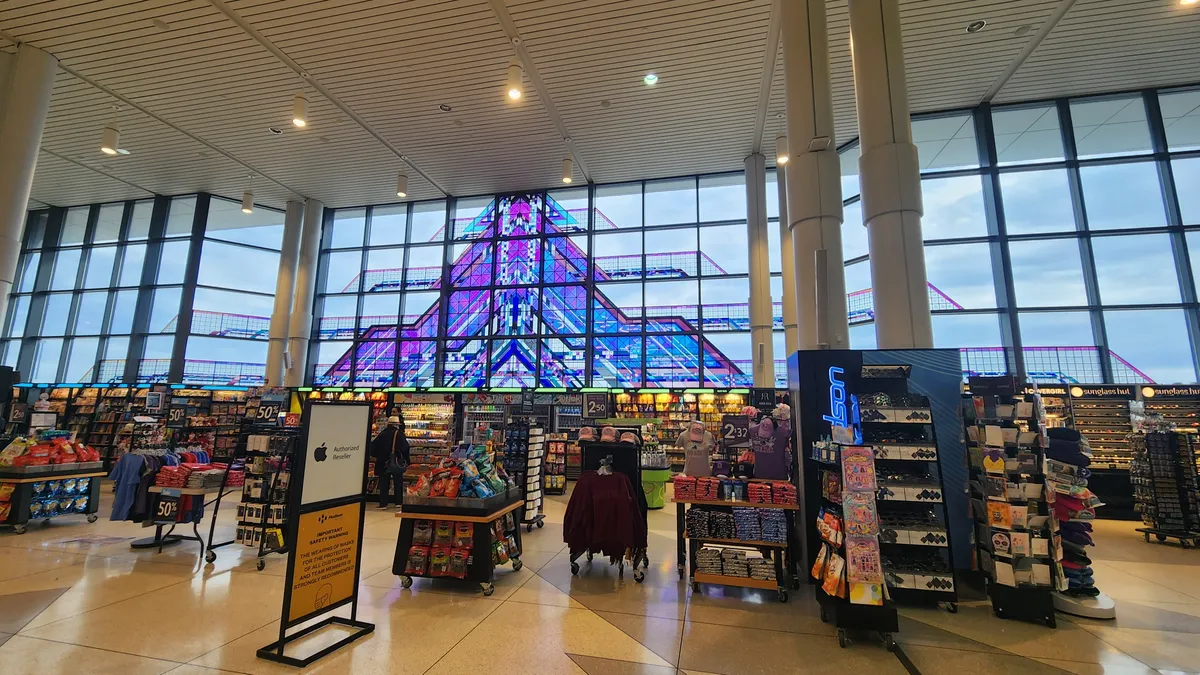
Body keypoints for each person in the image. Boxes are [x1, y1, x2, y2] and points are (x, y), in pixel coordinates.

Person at [370, 415, 410, 509]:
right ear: (397, 425)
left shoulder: (382, 434)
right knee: (397, 482)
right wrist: (405, 460)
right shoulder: (399, 434)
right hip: (396, 461)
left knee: (384, 482)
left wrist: (378, 456)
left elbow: (373, 447)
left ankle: (383, 503)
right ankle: (398, 502)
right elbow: (405, 448)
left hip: (383, 462)